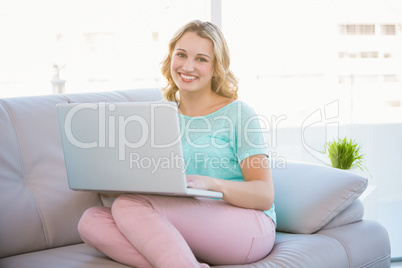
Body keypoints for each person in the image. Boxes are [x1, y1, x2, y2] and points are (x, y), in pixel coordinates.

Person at [78, 20, 276, 267]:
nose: (188, 66)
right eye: (181, 55)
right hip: (181, 219)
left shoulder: (238, 114)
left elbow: (264, 195)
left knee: (129, 206)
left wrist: (213, 184)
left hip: (246, 224)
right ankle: (183, 261)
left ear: (216, 67)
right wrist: (113, 180)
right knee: (91, 220)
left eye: (202, 59)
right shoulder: (157, 116)